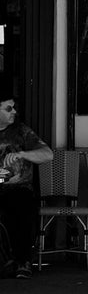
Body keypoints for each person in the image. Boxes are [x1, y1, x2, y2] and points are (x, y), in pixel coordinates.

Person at [0, 82, 53, 279]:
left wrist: (23, 154)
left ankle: (23, 261)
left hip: (18, 188)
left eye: (13, 107)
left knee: (21, 205)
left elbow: (47, 154)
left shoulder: (22, 131)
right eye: (8, 108)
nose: (14, 112)